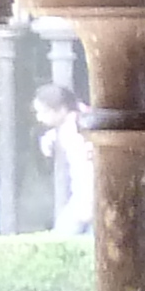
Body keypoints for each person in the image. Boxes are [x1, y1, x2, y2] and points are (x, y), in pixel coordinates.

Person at [32, 78, 95, 234]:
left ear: (60, 109)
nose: (39, 118)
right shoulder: (78, 121)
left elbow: (88, 169)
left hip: (88, 198)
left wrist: (87, 202)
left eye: (43, 112)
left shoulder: (77, 131)